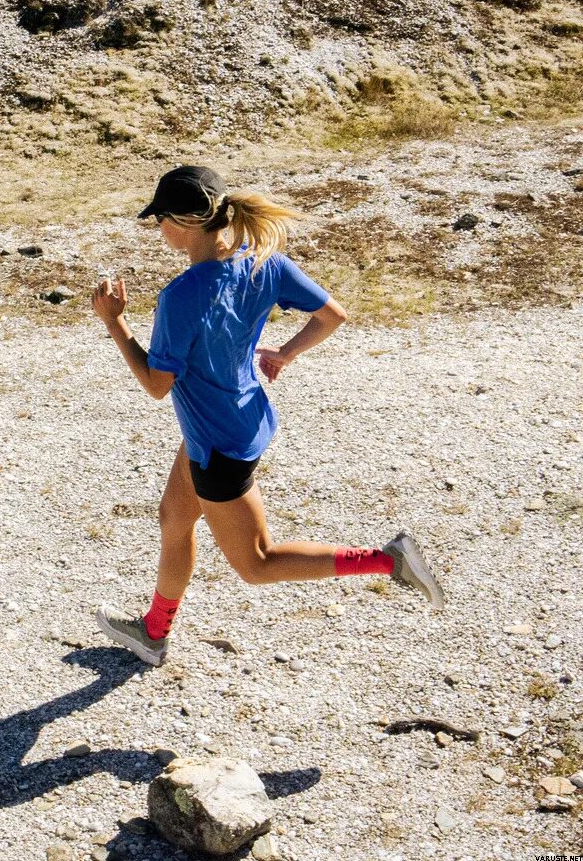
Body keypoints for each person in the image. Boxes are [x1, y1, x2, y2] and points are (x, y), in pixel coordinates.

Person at [90, 165, 444, 667]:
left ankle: (388, 561)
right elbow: (332, 315)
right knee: (174, 518)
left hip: (219, 446)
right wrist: (286, 354)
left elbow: (156, 385)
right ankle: (153, 633)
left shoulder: (181, 296)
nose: (158, 229)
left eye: (160, 219)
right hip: (236, 422)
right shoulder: (264, 263)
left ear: (183, 223)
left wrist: (115, 322)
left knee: (256, 563)